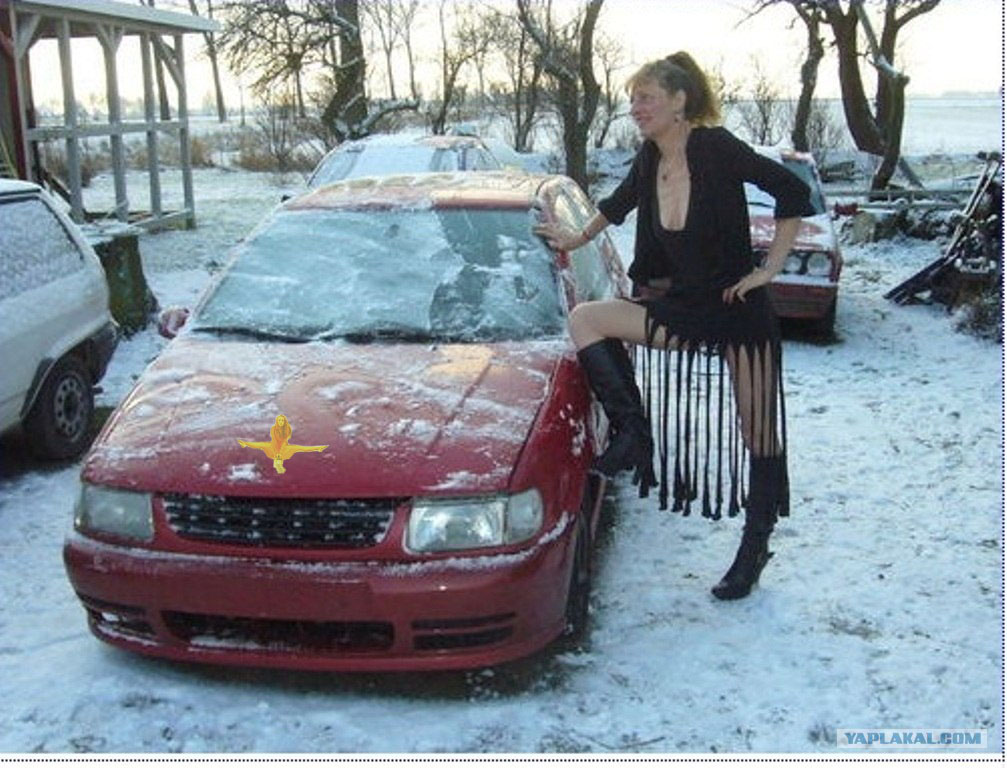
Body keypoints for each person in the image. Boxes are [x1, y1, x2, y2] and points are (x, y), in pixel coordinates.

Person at [535, 52, 814, 600]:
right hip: (684, 309)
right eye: (633, 99)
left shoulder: (716, 147)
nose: (635, 108)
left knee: (758, 434)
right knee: (588, 318)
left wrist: (768, 271)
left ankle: (754, 546)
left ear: (679, 100)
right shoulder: (648, 159)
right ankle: (635, 434)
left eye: (646, 97)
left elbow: (792, 192)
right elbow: (614, 207)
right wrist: (573, 238)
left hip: (738, 311)